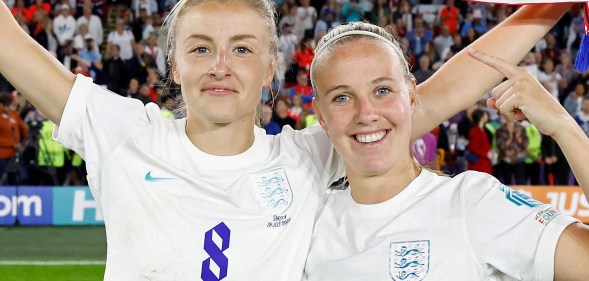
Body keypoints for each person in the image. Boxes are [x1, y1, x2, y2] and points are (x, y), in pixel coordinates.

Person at [0, 0, 576, 279]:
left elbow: (438, 94)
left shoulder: (307, 156)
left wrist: (556, 6)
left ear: (272, 65)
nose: (221, 66)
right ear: (170, 62)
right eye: (200, 47)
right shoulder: (123, 134)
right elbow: (14, 48)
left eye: (243, 48)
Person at [305, 22, 589, 280]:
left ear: (412, 95)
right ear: (320, 115)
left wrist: (565, 127)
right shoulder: (305, 223)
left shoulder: (471, 202)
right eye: (342, 97)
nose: (366, 114)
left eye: (382, 91)